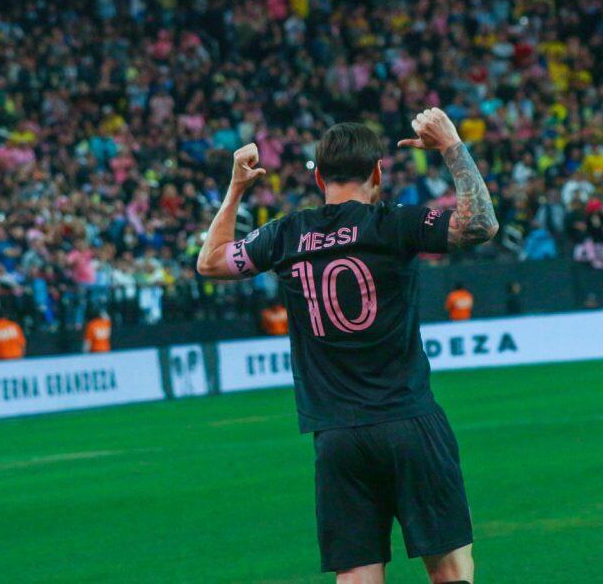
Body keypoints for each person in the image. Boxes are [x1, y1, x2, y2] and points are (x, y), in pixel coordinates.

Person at [196, 109, 497, 583]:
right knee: (451, 571)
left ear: (317, 176)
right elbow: (480, 225)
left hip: (338, 435)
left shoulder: (286, 234)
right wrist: (451, 146)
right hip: (408, 420)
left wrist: (236, 188)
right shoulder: (394, 224)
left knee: (356, 577)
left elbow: (210, 262)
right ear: (378, 172)